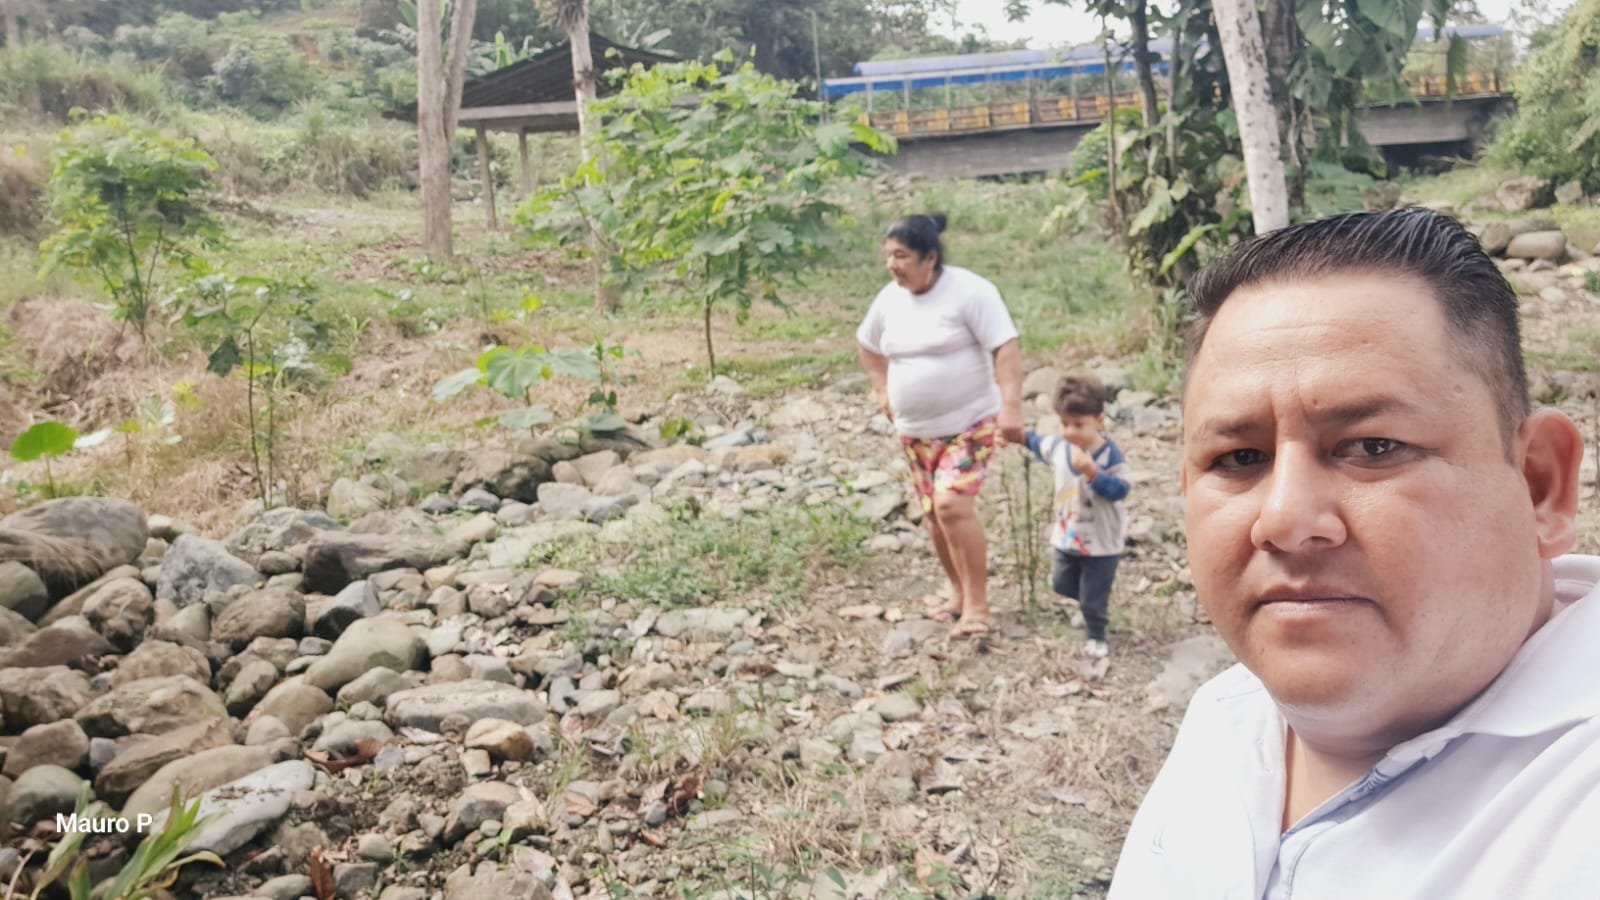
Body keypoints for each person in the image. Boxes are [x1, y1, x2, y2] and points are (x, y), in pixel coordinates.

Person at [1108, 207, 1595, 899]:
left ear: (1540, 486)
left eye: (1373, 447)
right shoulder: (1227, 715)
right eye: (1239, 458)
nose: (1284, 520)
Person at [856, 212, 1025, 638]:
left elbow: (1005, 348)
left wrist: (1011, 408)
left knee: (951, 505)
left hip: (969, 422)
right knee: (934, 512)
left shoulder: (970, 292)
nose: (892, 265)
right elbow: (867, 346)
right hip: (914, 429)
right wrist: (881, 389)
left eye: (902, 256)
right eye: (888, 256)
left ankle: (979, 607)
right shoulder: (889, 300)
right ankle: (958, 593)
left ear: (929, 258)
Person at [1023, 374, 1131, 658]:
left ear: (1099, 421)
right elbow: (1038, 444)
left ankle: (1096, 634)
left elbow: (1120, 490)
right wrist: (1017, 435)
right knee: (1061, 582)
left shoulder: (1109, 456)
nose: (1070, 431)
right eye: (1065, 423)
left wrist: (1093, 473)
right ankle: (1086, 602)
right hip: (1067, 536)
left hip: (1102, 543)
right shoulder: (1061, 447)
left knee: (1094, 597)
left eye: (1079, 425)